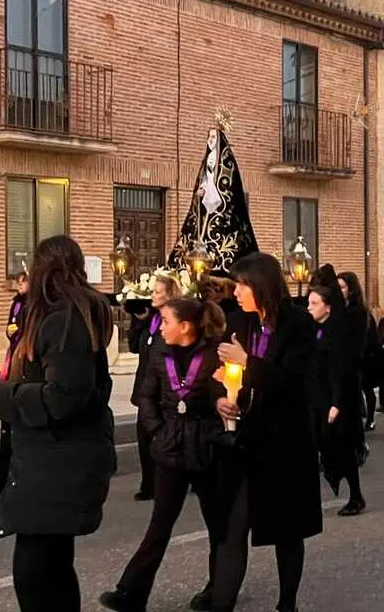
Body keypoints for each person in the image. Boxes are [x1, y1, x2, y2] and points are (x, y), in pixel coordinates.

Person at [0, 235, 116, 612]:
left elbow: (62, 396)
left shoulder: (66, 320)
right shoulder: (63, 316)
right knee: (50, 568)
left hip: (58, 463)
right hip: (51, 460)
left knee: (35, 574)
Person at [100, 297, 226, 612]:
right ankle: (131, 591)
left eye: (167, 321)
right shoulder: (160, 350)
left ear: (185, 326)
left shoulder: (213, 353)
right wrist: (157, 431)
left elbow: (228, 395)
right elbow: (147, 395)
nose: (162, 326)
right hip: (170, 447)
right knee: (160, 524)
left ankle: (218, 589)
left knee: (218, 524)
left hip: (206, 446)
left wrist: (213, 418)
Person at [212, 252, 322, 612]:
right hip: (244, 440)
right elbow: (222, 374)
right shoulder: (239, 322)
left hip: (284, 442)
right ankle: (220, 602)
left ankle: (286, 602)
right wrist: (222, 399)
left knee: (286, 531)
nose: (237, 291)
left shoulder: (298, 324)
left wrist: (248, 363)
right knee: (233, 526)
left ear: (261, 285)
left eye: (243, 284)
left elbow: (293, 383)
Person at [308, 285, 365, 516]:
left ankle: (356, 496)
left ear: (328, 307)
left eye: (315, 304)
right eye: (309, 303)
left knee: (342, 448)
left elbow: (339, 370)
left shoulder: (338, 331)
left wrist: (336, 403)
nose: (309, 308)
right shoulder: (313, 329)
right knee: (319, 446)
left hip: (334, 400)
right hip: (316, 398)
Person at [128, 273, 182, 501]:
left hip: (164, 389)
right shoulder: (151, 320)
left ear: (169, 294)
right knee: (144, 437)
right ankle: (149, 484)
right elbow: (133, 347)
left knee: (165, 438)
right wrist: (139, 322)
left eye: (158, 291)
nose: (153, 295)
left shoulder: (175, 320)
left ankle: (170, 483)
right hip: (145, 389)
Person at [338, 272, 379, 441]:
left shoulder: (359, 312)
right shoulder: (340, 309)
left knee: (366, 389)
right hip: (349, 361)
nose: (339, 291)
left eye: (342, 287)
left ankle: (370, 418)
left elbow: (367, 339)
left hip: (362, 359)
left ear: (351, 289)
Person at [0, 271, 29, 380]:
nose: (20, 285)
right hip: (14, 344)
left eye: (23, 282)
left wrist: (19, 331)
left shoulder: (31, 303)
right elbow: (12, 320)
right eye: (18, 282)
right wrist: (9, 331)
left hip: (24, 346)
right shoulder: (16, 302)